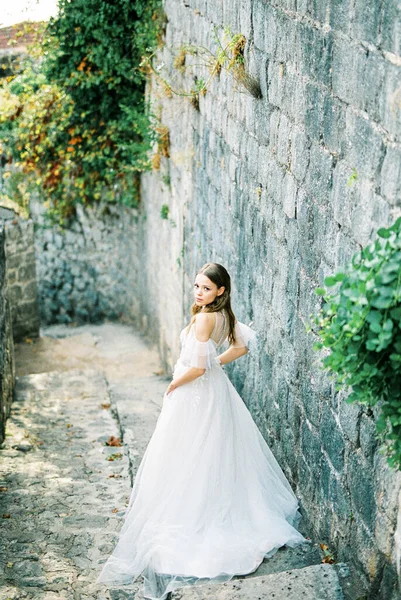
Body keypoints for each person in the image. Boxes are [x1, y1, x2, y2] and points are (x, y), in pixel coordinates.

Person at [96, 262, 310, 599]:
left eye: (206, 288)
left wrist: (173, 385)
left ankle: (192, 512)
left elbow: (196, 367)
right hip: (217, 391)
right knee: (213, 448)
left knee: (187, 450)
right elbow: (238, 348)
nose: (199, 292)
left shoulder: (204, 318)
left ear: (220, 291)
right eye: (197, 286)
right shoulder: (227, 316)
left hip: (194, 392)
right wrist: (214, 364)